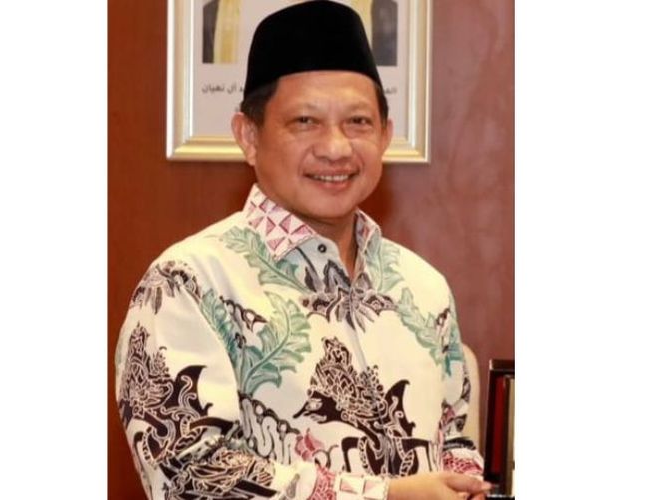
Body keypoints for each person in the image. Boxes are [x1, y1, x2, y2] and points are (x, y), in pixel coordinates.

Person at [115, 2, 489, 499]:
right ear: (249, 136)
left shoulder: (424, 287)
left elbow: (455, 436)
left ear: (385, 135)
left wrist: (464, 483)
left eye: (358, 121)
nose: (335, 148)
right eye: (305, 121)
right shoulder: (187, 284)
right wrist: (384, 496)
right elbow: (189, 475)